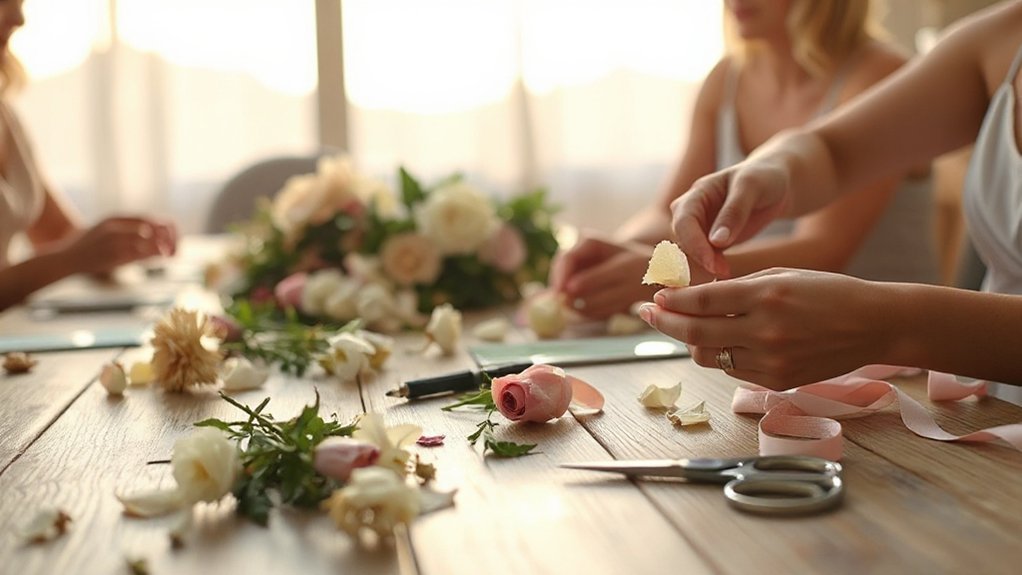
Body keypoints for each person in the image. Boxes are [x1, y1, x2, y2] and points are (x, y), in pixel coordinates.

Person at [642, 0, 1022, 398]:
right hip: (995, 418)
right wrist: (772, 167)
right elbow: (833, 151)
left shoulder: (876, 65)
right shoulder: (997, 36)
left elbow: (825, 247)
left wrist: (889, 323)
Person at [550, 0, 938, 320]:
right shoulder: (726, 78)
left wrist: (672, 272)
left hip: (883, 354)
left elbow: (822, 250)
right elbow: (665, 214)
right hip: (772, 335)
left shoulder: (880, 74)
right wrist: (612, 253)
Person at [0, 0, 176, 312]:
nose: (19, 18)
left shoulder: (6, 116)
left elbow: (59, 235)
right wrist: (74, 258)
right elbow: (66, 254)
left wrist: (120, 241)